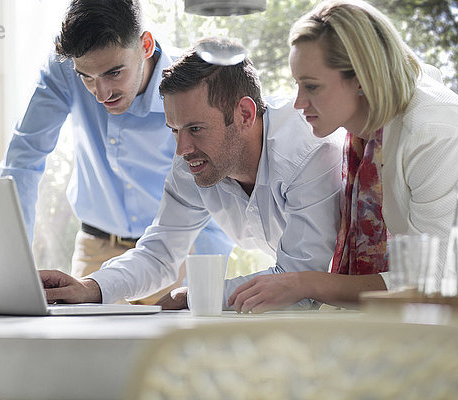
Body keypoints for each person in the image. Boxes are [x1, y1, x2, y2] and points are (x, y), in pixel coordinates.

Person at [39, 37, 345, 307]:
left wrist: (197, 295)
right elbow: (159, 254)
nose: (182, 148)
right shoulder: (194, 161)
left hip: (358, 298)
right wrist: (90, 287)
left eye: (196, 128)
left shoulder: (310, 150)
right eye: (174, 130)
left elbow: (300, 283)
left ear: (245, 114)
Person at [228, 0, 458, 313]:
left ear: (362, 78)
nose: (298, 102)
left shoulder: (432, 133)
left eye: (312, 86)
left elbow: (432, 280)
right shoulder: (362, 131)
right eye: (298, 84)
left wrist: (303, 282)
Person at [0, 0, 232, 303]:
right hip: (94, 252)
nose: (101, 93)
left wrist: (204, 280)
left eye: (114, 72)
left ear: (145, 45)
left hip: (176, 254)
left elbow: (214, 186)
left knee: (168, 349)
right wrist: (10, 268)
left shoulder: (190, 86)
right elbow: (24, 162)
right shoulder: (65, 69)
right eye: (87, 77)